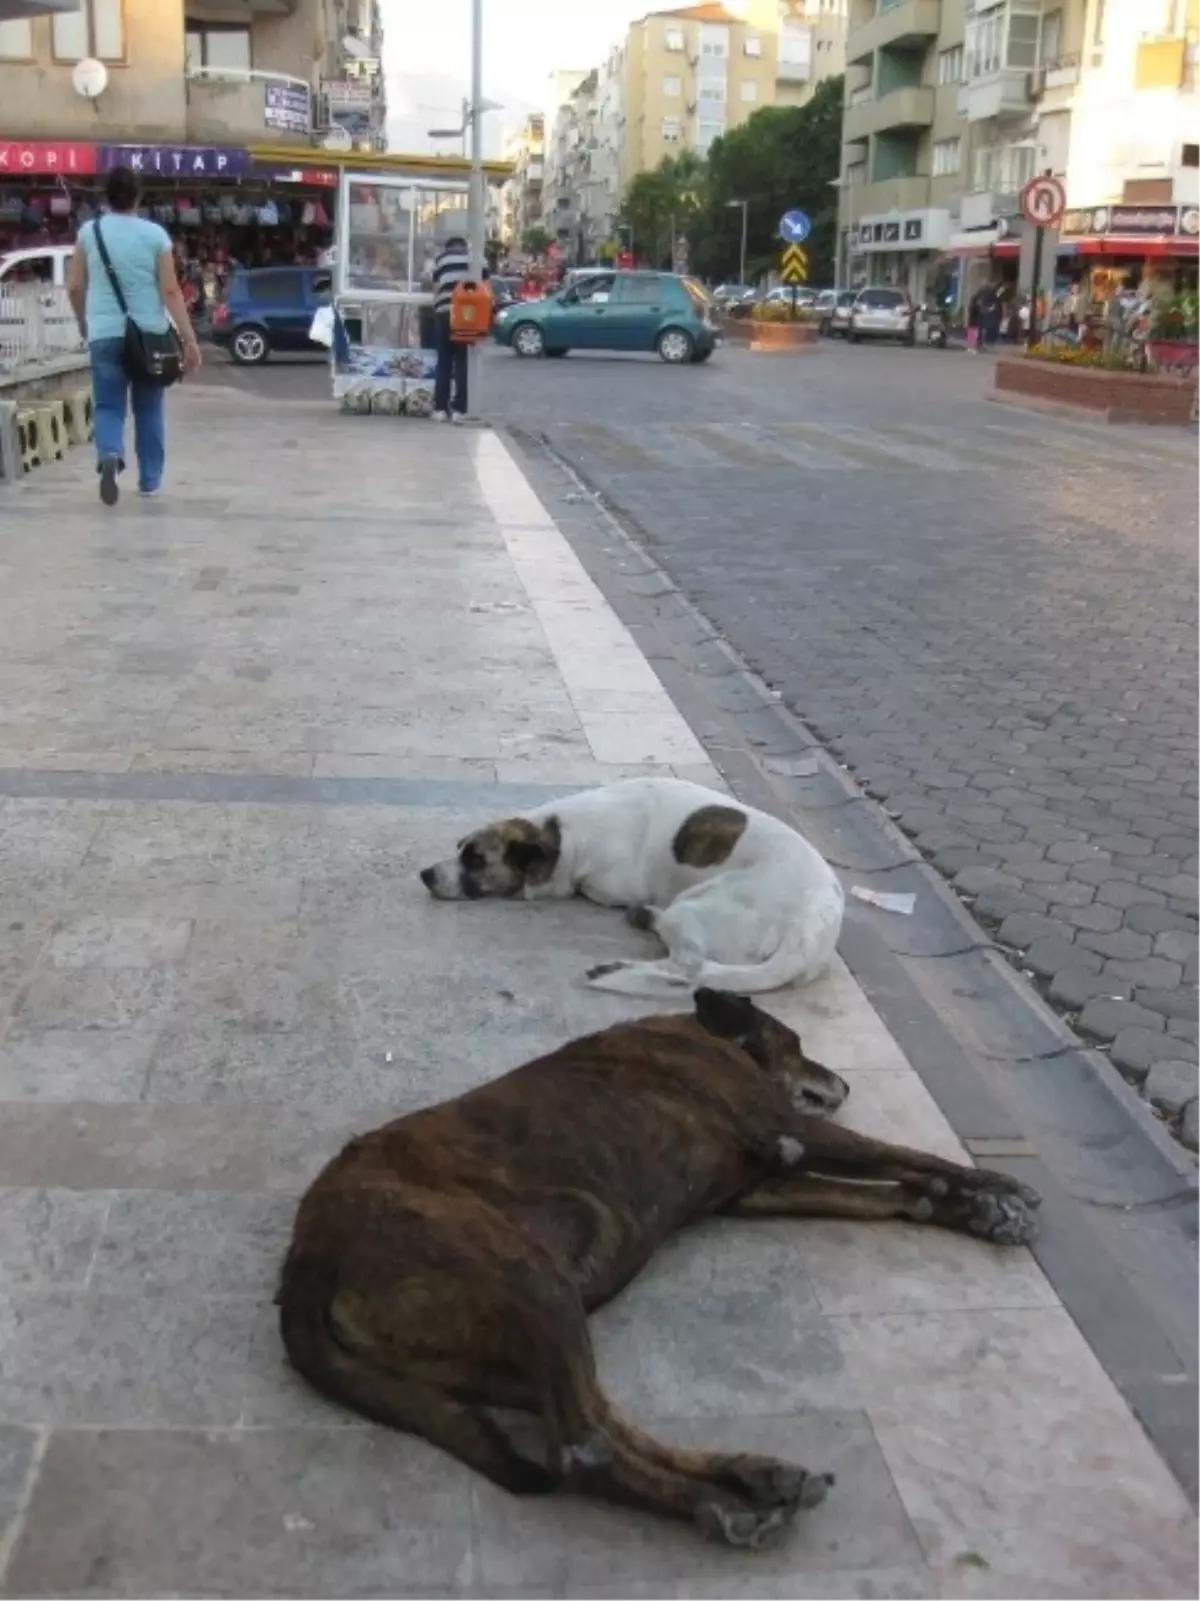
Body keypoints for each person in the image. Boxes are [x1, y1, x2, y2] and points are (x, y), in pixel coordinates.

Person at [67, 165, 201, 507]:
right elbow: (170, 290)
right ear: (138, 197)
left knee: (109, 404)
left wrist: (84, 322)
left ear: (106, 197)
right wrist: (189, 339)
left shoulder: (89, 232)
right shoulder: (156, 236)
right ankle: (150, 481)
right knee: (150, 407)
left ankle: (110, 454)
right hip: (149, 336)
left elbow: (75, 286)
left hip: (105, 333)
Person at [428, 233, 472, 423]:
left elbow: (436, 286)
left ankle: (440, 409)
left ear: (448, 247)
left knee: (443, 361)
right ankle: (459, 410)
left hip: (444, 312)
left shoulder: (441, 259)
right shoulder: (476, 259)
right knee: (462, 362)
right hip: (466, 315)